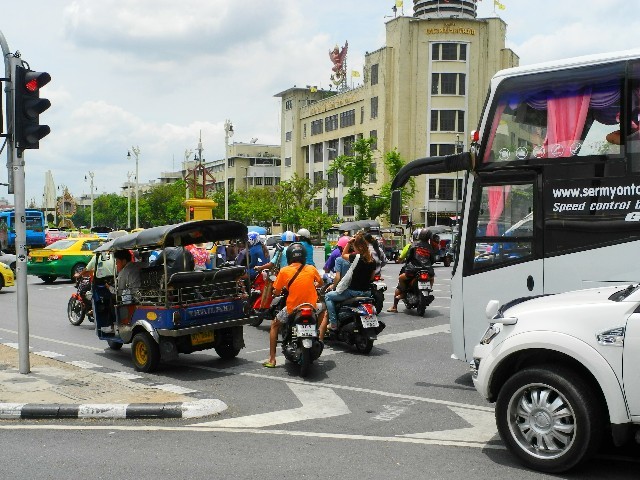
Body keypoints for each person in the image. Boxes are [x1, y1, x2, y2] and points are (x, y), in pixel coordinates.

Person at [263, 242, 322, 368]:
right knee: (324, 310)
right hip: (311, 307)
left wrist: (277, 291)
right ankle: (320, 335)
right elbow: (321, 283)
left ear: (289, 257)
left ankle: (272, 359)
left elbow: (277, 291)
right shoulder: (311, 269)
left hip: (293, 309)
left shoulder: (284, 271)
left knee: (274, 325)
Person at [319, 233, 376, 339]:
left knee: (328, 296)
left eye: (354, 246)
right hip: (367, 292)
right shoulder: (372, 260)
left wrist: (349, 243)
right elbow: (372, 277)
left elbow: (343, 255)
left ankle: (333, 323)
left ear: (358, 246)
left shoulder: (356, 258)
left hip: (353, 292)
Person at [387, 228, 435, 313]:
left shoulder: (413, 245)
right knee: (432, 278)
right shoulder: (430, 247)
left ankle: (401, 296)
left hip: (413, 270)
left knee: (401, 278)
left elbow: (409, 257)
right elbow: (433, 259)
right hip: (427, 270)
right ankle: (428, 290)